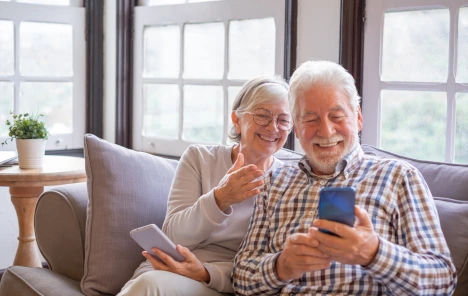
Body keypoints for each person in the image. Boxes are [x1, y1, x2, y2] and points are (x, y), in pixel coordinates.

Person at [232, 60, 457, 295]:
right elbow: (239, 279)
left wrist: (374, 253)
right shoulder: (274, 182)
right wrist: (281, 266)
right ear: (296, 129)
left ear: (358, 118)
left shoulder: (399, 177)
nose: (326, 131)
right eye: (310, 120)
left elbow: (442, 282)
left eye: (337, 116)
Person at [118, 76, 292, 296]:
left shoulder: (289, 181)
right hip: (168, 267)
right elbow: (174, 236)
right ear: (236, 120)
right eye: (262, 115)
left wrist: (205, 273)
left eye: (284, 120)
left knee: (151, 286)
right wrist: (220, 198)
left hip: (220, 283)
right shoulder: (199, 158)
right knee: (150, 283)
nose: (273, 127)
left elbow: (270, 267)